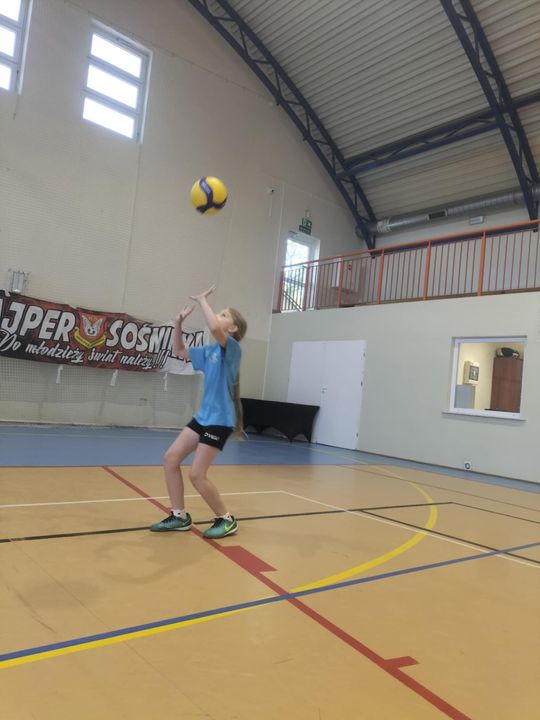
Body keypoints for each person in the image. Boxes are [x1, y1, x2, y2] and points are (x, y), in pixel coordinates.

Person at [150, 285, 247, 539]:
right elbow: (179, 352)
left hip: (220, 420)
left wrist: (203, 300)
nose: (218, 316)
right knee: (170, 459)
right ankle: (179, 516)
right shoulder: (210, 351)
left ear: (233, 328)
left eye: (224, 314)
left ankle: (226, 519)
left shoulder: (232, 348)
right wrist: (178, 324)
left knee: (196, 474)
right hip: (203, 417)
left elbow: (214, 328)